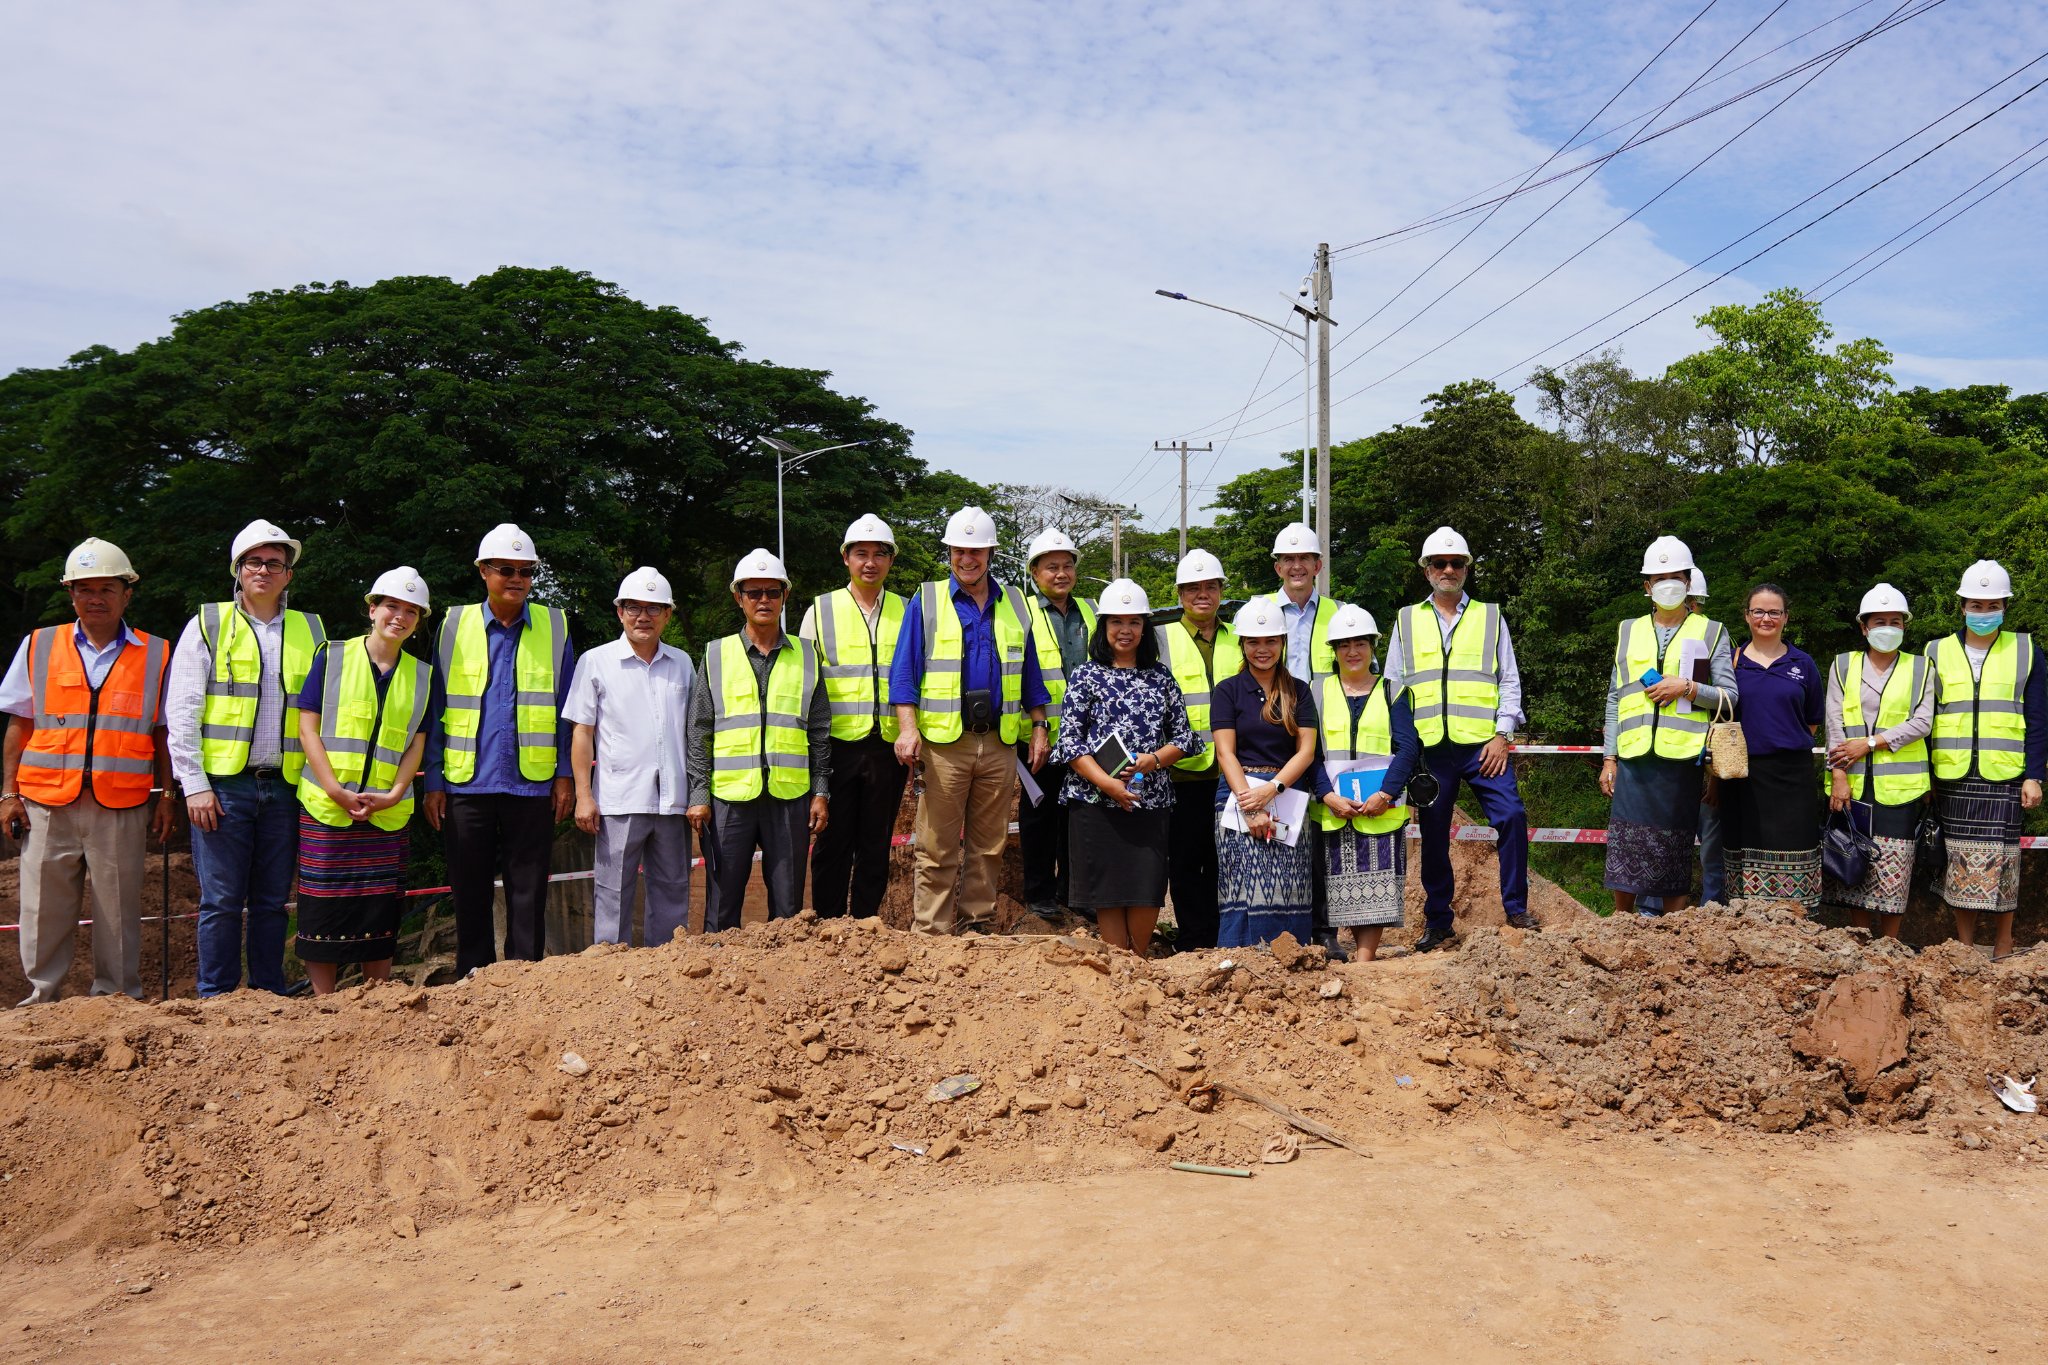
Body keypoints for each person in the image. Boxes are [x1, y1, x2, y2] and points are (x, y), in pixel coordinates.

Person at [1, 538, 174, 1003]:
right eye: (84, 588)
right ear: (70, 593)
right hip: (46, 802)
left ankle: (117, 999)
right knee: (41, 908)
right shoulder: (39, 645)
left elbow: (163, 732)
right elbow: (19, 722)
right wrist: (7, 793)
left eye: (106, 588)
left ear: (127, 593)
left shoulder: (157, 654)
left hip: (121, 803)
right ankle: (42, 996)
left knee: (118, 909)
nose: (95, 597)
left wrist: (168, 795)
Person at [165, 519, 327, 997]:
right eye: (254, 561)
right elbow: (183, 709)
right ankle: (215, 995)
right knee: (220, 900)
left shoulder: (310, 628)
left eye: (275, 563)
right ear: (238, 570)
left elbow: (322, 710)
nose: (264, 569)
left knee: (273, 901)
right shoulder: (208, 624)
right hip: (223, 786)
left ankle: (267, 993)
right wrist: (193, 783)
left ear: (288, 575)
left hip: (286, 785)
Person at [422, 523, 577, 975]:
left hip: (532, 783)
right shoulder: (452, 625)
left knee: (528, 888)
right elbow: (435, 710)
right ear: (483, 571)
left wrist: (564, 773)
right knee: (468, 887)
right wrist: (434, 781)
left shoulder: (555, 626)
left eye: (526, 571)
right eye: (506, 569)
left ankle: (524, 976)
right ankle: (474, 976)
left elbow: (568, 710)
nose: (517, 579)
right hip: (466, 781)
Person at [890, 507, 1052, 935]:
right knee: (936, 845)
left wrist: (1039, 726)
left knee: (990, 844)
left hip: (999, 743)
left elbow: (1031, 672)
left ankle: (977, 924)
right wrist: (908, 730)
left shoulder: (1015, 602)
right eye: (960, 551)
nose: (968, 559)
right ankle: (932, 932)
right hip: (946, 745)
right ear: (949, 553)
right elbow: (904, 673)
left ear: (991, 553)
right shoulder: (926, 601)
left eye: (976, 551)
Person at [1383, 526, 1535, 951]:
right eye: (1439, 563)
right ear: (1426, 571)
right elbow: (1394, 688)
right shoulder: (1406, 620)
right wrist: (1406, 746)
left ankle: (1517, 908)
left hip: (1482, 746)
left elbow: (1510, 680)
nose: (1448, 570)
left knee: (1511, 816)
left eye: (1456, 563)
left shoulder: (1490, 616)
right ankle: (1438, 920)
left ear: (1466, 569)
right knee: (1432, 835)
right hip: (1431, 751)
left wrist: (1503, 734)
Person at [292, 569, 434, 992]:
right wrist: (335, 790)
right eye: (392, 606)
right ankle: (325, 1007)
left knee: (379, 909)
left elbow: (416, 744)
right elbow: (307, 729)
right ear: (372, 609)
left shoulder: (423, 675)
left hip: (386, 812)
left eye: (411, 611)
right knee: (322, 908)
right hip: (327, 806)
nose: (400, 616)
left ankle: (377, 1002)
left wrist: (393, 795)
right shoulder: (332, 656)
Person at [1049, 580, 1196, 954]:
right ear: (1104, 627)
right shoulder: (1085, 675)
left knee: (1145, 887)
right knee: (1108, 888)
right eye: (1116, 622)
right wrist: (1107, 785)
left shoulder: (1160, 677)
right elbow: (1069, 742)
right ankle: (1118, 964)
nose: (1125, 631)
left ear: (1145, 628)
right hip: (1095, 802)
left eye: (1134, 622)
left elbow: (1184, 737)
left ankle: (1140, 958)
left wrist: (1156, 759)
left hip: (1149, 800)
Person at [687, 549, 830, 928]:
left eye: (772, 591)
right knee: (721, 905)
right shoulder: (716, 655)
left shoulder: (807, 656)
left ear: (785, 596)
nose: (763, 600)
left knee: (788, 907)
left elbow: (819, 731)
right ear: (739, 597)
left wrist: (820, 791)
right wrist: (700, 795)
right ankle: (717, 973)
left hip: (790, 796)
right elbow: (700, 729)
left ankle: (787, 981)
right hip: (730, 797)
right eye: (754, 592)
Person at [1600, 536, 1737, 917]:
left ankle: (1674, 932)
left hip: (1681, 760)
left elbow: (1729, 696)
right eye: (1658, 578)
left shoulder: (1712, 631)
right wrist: (1609, 757)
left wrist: (1688, 688)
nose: (1667, 584)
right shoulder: (1628, 630)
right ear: (1647, 587)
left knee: (1675, 848)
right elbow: (1615, 698)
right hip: (1632, 757)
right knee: (1626, 845)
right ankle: (1621, 924)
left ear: (1689, 581)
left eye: (1674, 576)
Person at [567, 567, 695, 947]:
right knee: (612, 892)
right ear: (619, 612)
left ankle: (669, 967)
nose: (644, 616)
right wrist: (584, 795)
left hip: (673, 800)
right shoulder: (597, 661)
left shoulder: (683, 663)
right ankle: (610, 970)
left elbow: (691, 732)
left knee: (673, 889)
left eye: (654, 608)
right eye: (634, 607)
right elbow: (582, 732)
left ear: (668, 615)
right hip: (618, 799)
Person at [1925, 559, 2046, 959]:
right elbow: (1925, 719)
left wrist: (2035, 775)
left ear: (2005, 607)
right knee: (1958, 858)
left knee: (2004, 860)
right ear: (1961, 606)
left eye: (1991, 605)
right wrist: (1926, 777)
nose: (1983, 613)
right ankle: (1963, 945)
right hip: (1952, 775)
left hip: (2004, 773)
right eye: (1975, 605)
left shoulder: (2026, 649)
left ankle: (2004, 942)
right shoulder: (1935, 651)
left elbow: (2039, 718)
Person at [799, 514, 907, 920]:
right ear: (845, 558)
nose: (870, 562)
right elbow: (806, 682)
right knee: (832, 840)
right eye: (861, 553)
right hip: (837, 745)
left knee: (876, 842)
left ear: (890, 561)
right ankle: (826, 923)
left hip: (887, 745)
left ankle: (865, 925)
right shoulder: (821, 609)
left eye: (880, 554)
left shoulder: (905, 609)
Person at [1821, 584, 1934, 938]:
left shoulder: (1921, 667)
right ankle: (1859, 941)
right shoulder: (1844, 665)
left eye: (1895, 621)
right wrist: (1839, 775)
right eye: (1879, 621)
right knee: (1854, 863)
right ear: (1864, 627)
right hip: (1851, 784)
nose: (1888, 627)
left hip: (1900, 788)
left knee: (1894, 868)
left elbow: (1923, 721)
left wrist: (1870, 744)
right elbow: (1833, 723)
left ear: (1905, 626)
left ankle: (1889, 944)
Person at [1311, 605, 1420, 962]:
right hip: (1332, 808)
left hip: (1379, 807)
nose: (1352, 652)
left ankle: (1365, 962)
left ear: (1373, 646)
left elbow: (1407, 747)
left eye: (1360, 643)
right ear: (1334, 650)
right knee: (1335, 882)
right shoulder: (1315, 692)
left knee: (1376, 884)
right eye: (1344, 645)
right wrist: (1327, 795)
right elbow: (1308, 752)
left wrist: (1386, 795)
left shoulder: (1394, 692)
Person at [1212, 596, 1320, 947]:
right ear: (1242, 644)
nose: (1263, 649)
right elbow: (1225, 753)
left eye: (1271, 640)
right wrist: (1252, 806)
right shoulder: (1228, 691)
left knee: (1290, 888)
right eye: (1254, 641)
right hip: (1237, 795)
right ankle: (1241, 964)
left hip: (1286, 794)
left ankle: (1293, 964)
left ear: (1282, 642)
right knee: (1243, 887)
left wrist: (1272, 789)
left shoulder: (1298, 691)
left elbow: (1305, 751)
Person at [1156, 549, 1240, 950]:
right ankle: (1192, 939)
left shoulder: (1238, 637)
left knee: (1226, 859)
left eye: (1210, 586)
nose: (1202, 594)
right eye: (1193, 588)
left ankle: (1223, 936)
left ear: (1221, 591)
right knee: (1187, 861)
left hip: (1231, 773)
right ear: (1180, 593)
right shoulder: (1161, 637)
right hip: (1182, 771)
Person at [1720, 583, 1825, 906]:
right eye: (1759, 611)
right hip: (1742, 775)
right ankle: (1747, 929)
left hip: (1792, 775)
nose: (1766, 618)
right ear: (1747, 616)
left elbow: (1811, 720)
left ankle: (1794, 931)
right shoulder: (1731, 663)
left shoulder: (1803, 664)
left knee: (1796, 849)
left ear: (1786, 618)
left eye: (1774, 612)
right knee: (1743, 853)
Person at [1018, 526, 1096, 919]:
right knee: (1039, 815)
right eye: (1051, 567)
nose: (1061, 573)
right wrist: (1038, 727)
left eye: (1067, 566)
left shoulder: (1091, 610)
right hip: (1039, 736)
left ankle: (1075, 894)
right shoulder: (1021, 612)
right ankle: (1039, 894)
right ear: (1035, 572)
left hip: (1087, 737)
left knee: (1081, 818)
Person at [1270, 521, 1337, 683]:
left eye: (1304, 558)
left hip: (1323, 708)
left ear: (1317, 566)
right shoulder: (1257, 612)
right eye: (1289, 559)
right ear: (1278, 569)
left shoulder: (1339, 613)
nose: (1297, 566)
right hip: (1271, 707)